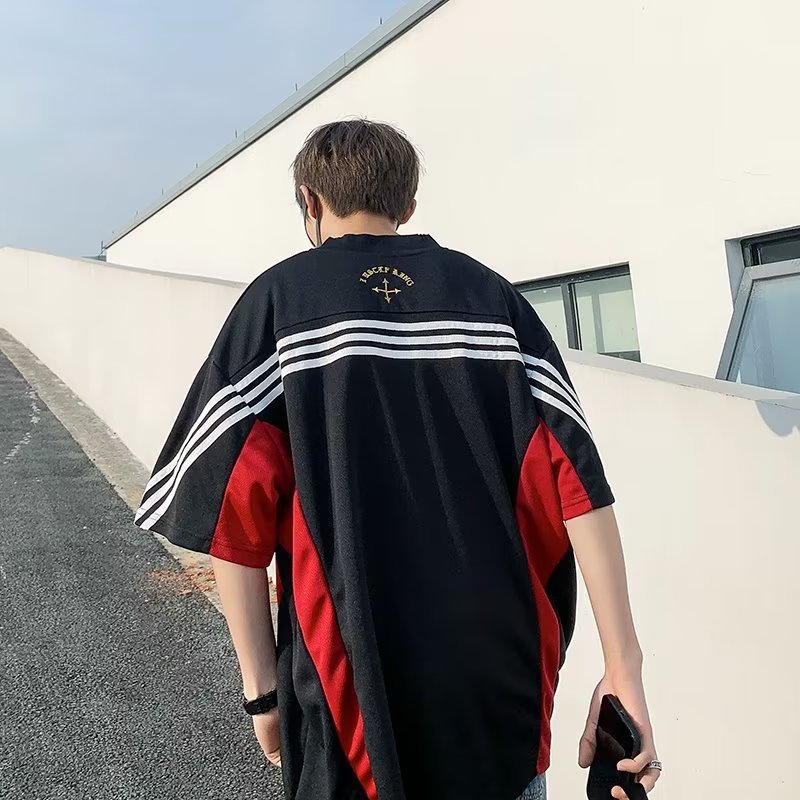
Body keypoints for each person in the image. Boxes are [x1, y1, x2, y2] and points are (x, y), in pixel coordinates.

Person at [134, 120, 660, 800]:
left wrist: (261, 692)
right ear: (408, 206)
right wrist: (623, 669)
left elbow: (234, 515)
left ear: (308, 200)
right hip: (496, 692)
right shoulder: (494, 302)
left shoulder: (278, 306)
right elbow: (580, 490)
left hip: (348, 696)